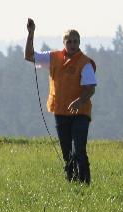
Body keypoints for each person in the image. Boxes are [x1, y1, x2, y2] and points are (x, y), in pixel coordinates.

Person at [25, 18, 97, 185]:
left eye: (75, 41)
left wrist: (80, 101)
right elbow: (29, 56)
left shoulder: (85, 63)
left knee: (78, 149)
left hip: (81, 113)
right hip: (60, 112)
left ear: (79, 43)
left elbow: (90, 88)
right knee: (66, 153)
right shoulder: (54, 57)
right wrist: (31, 33)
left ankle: (85, 183)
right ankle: (72, 184)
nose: (72, 44)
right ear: (64, 43)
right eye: (69, 41)